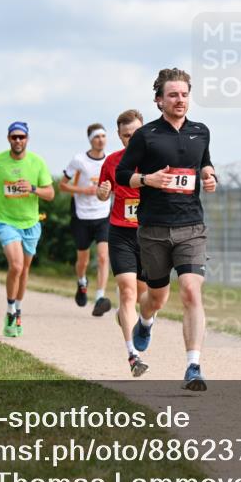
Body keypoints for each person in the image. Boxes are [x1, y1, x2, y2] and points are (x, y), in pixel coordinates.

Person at [116, 68, 218, 391]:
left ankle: (193, 366)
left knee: (190, 290)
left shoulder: (201, 131)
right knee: (156, 297)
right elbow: (121, 174)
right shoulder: (146, 136)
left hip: (191, 227)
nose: (180, 100)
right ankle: (145, 322)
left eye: (185, 94)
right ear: (159, 100)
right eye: (173, 95)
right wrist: (147, 180)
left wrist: (209, 175)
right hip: (154, 229)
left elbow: (205, 161)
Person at [0, 121, 54, 337]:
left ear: (27, 139)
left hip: (31, 222)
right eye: (14, 137)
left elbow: (50, 194)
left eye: (21, 137)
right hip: (5, 220)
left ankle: (19, 309)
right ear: (8, 139)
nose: (18, 140)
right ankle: (10, 310)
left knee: (24, 271)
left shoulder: (37, 162)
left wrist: (32, 189)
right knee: (16, 265)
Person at [97, 109, 151, 376]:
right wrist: (102, 191)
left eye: (136, 134)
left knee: (146, 296)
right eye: (126, 135)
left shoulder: (156, 159)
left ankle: (146, 322)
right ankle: (133, 355)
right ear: (119, 137)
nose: (132, 139)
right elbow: (101, 192)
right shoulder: (112, 162)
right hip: (121, 233)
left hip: (150, 234)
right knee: (127, 292)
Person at [60, 124, 113, 316]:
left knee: (103, 257)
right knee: (82, 260)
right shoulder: (79, 160)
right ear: (90, 139)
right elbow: (62, 186)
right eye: (97, 137)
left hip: (103, 214)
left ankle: (100, 297)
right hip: (81, 215)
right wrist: (84, 191)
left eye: (104, 136)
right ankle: (82, 282)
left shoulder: (111, 160)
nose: (101, 140)